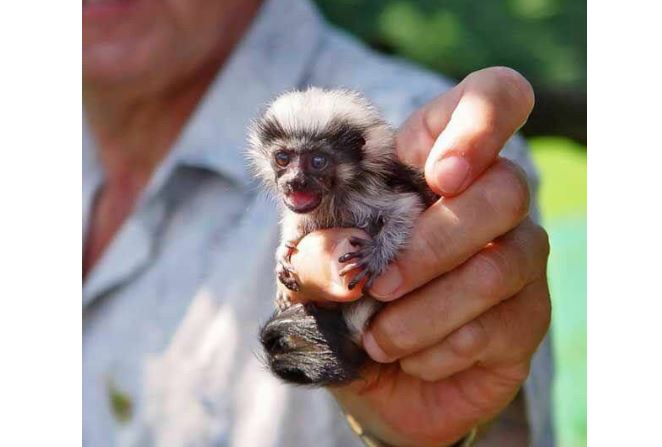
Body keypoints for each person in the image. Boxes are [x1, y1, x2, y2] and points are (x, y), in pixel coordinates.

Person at [83, 0, 553, 445]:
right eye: (284, 160)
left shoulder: (428, 137)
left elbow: (408, 226)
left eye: (317, 163)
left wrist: (436, 437)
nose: (296, 178)